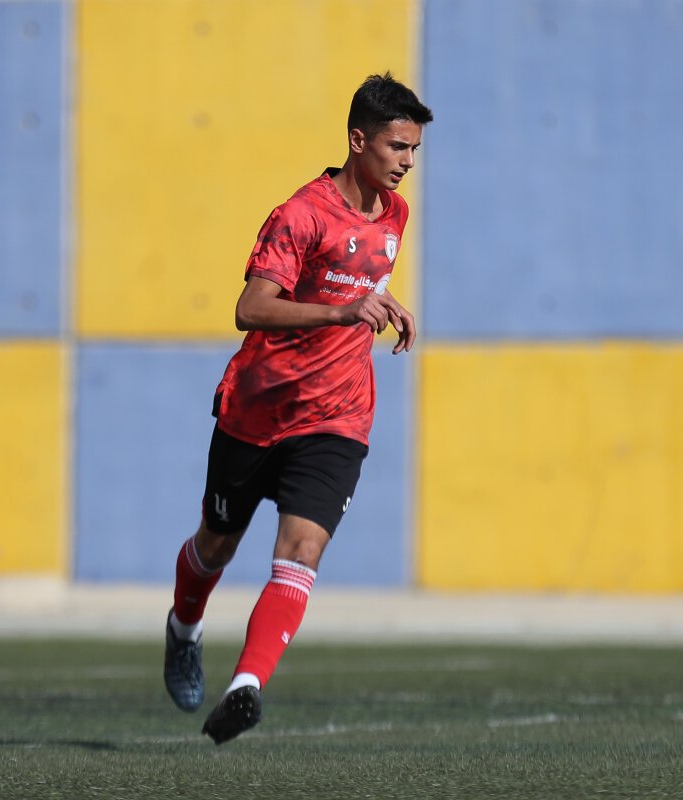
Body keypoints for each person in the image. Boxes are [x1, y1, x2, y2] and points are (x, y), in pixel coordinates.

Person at [162, 73, 433, 745]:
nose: (406, 161)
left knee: (302, 549)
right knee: (216, 543)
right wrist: (344, 311)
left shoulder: (395, 215)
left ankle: (246, 686)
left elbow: (358, 282)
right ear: (358, 141)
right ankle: (184, 628)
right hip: (258, 410)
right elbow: (250, 308)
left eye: (414, 150)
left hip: (338, 416)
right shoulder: (300, 215)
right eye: (397, 147)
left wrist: (382, 302)